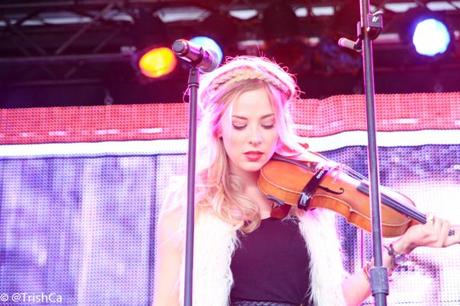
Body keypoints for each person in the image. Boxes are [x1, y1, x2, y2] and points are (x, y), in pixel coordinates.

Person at [153, 56, 460, 306]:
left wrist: (402, 246)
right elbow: (166, 301)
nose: (255, 138)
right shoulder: (190, 204)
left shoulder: (304, 200)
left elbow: (333, 300)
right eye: (240, 124)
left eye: (267, 124)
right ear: (219, 128)